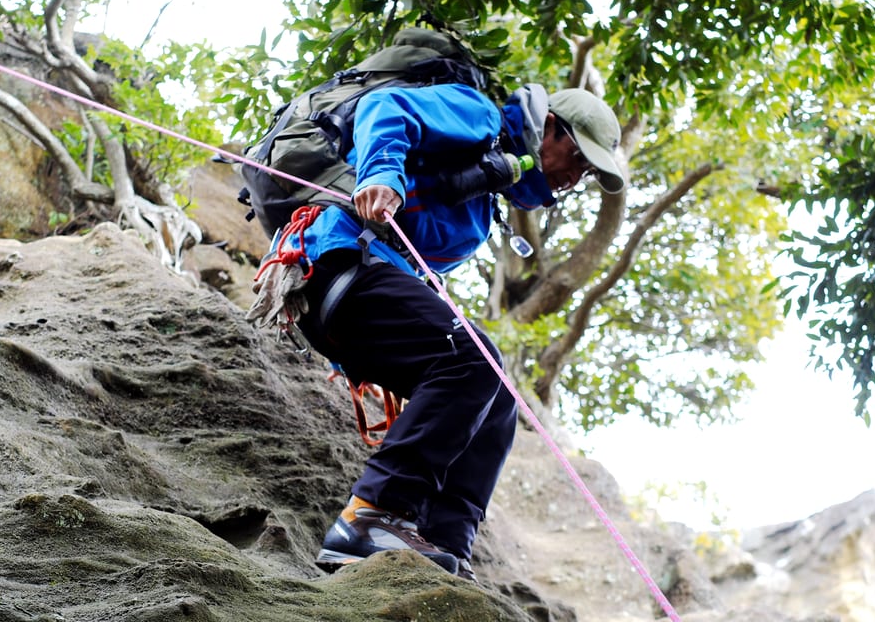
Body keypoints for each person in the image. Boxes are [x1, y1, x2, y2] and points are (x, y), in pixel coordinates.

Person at [253, 82, 625, 579]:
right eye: (579, 160)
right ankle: (373, 517)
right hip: (334, 261)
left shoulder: (481, 204)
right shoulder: (481, 118)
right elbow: (386, 106)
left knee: (498, 398)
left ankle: (446, 546)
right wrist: (382, 174)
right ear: (550, 128)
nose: (575, 179)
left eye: (587, 174)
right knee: (472, 356)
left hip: (359, 295)